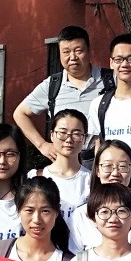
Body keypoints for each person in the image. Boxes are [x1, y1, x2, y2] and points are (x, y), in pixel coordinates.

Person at [14, 25, 112, 162]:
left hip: (106, 162)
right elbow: (20, 114)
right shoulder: (52, 85)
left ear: (89, 51)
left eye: (78, 51)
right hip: (65, 163)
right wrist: (42, 145)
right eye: (66, 52)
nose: (73, 57)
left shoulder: (111, 81)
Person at [69, 139, 131, 252]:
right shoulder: (80, 216)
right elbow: (75, 260)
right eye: (108, 166)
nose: (115, 173)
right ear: (97, 170)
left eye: (123, 166)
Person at [0, 176, 73, 261]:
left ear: (57, 212)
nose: (37, 220)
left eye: (45, 211)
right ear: (18, 210)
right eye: (29, 210)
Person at [26, 109, 91, 225]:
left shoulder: (92, 180)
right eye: (62, 133)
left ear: (84, 138)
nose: (69, 140)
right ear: (52, 135)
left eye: (76, 134)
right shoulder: (34, 177)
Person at [89, 33, 131, 148]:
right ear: (111, 63)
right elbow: (98, 145)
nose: (124, 64)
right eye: (118, 59)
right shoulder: (98, 105)